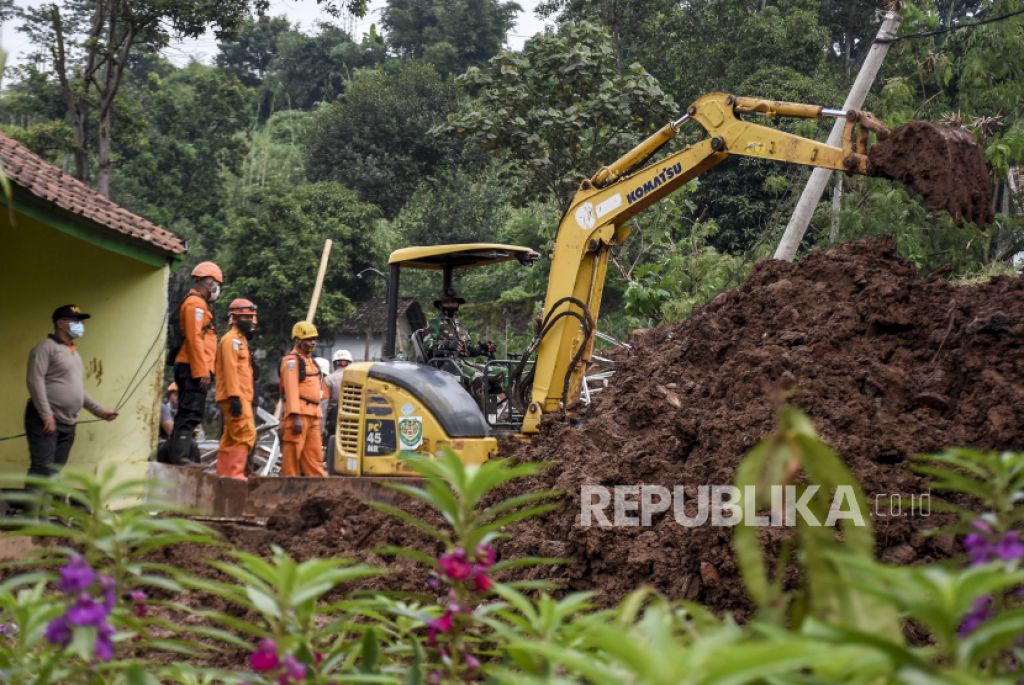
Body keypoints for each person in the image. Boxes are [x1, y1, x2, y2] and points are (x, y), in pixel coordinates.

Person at [23, 304, 118, 490]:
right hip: (46, 420)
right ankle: (31, 517)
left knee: (55, 473)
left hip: (68, 423)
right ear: (60, 323)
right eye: (75, 321)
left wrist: (100, 411)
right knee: (42, 470)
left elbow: (77, 390)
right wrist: (46, 414)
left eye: (80, 321)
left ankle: (43, 515)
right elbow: (35, 381)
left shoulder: (73, 352)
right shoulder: (45, 348)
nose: (80, 325)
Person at [167, 261, 223, 465]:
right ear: (208, 282)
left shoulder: (201, 305)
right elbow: (194, 339)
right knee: (189, 412)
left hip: (195, 366)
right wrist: (202, 372)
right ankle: (179, 456)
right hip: (192, 367)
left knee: (192, 413)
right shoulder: (194, 304)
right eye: (217, 283)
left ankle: (182, 453)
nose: (218, 288)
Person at [214, 299, 258, 480]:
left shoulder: (240, 341)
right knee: (246, 434)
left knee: (230, 438)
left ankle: (224, 475)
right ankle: (236, 475)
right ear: (236, 318)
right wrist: (234, 397)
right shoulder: (230, 340)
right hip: (235, 396)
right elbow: (230, 369)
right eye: (247, 317)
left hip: (242, 396)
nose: (251, 321)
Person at [278, 321, 327, 477]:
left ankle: (318, 490)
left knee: (315, 457)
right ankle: (288, 488)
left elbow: (316, 390)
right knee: (292, 457)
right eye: (308, 339)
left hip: (313, 414)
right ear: (298, 340)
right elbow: (291, 389)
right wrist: (295, 415)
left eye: (314, 339)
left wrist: (319, 416)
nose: (312, 342)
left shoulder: (311, 361)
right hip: (298, 414)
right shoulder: (292, 361)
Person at [322, 349, 352, 447]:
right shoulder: (359, 379)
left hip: (334, 420)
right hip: (354, 418)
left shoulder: (328, 380)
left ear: (334, 364)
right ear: (350, 364)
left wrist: (321, 428)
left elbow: (324, 406)